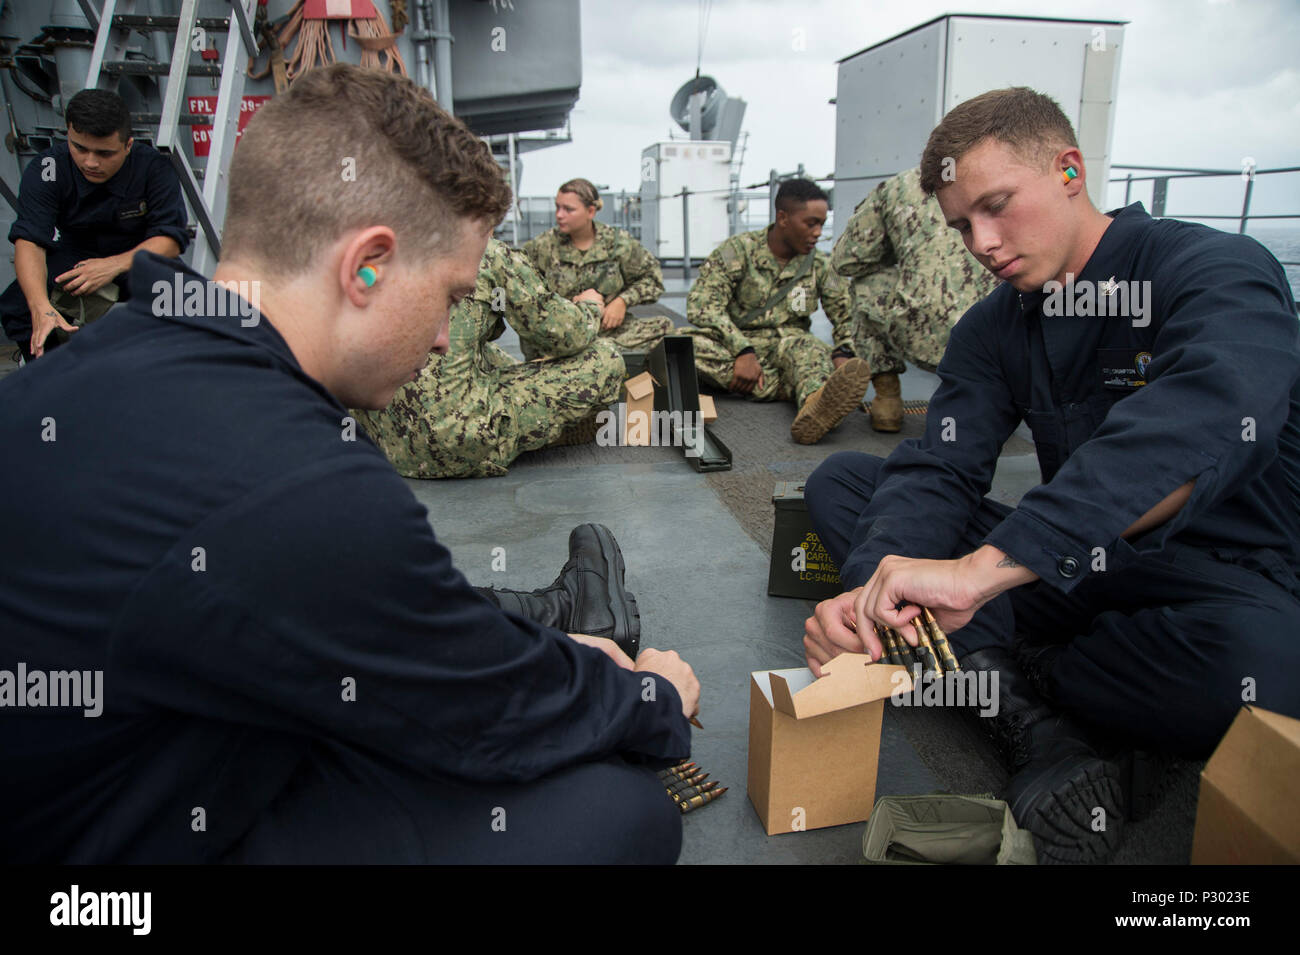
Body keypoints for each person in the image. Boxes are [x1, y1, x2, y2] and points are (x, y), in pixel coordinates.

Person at [0, 64, 699, 864]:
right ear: (367, 264)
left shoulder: (103, 361)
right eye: (449, 295)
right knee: (620, 814)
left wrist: (550, 652)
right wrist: (651, 697)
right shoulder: (299, 477)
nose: (444, 336)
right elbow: (485, 711)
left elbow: (339, 611)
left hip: (118, 773)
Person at [802, 87, 1300, 863]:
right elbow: (939, 465)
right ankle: (1048, 713)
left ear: (1069, 170)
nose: (982, 243)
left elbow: (1201, 425)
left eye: (997, 206)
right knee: (842, 484)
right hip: (1071, 567)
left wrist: (979, 574)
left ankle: (1013, 683)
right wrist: (869, 596)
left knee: (1267, 670)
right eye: (962, 225)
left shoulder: (1214, 268)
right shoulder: (995, 326)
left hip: (1223, 581)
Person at [354, 237, 624, 478]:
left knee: (482, 352)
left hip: (384, 443)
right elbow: (567, 334)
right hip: (452, 444)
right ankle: (521, 427)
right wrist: (591, 305)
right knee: (606, 356)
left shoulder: (377, 249)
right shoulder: (483, 251)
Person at [1, 88, 188, 362]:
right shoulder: (48, 167)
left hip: (137, 257)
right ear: (68, 135)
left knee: (198, 301)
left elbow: (170, 239)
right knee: (18, 305)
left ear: (128, 145)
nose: (90, 162)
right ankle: (50, 373)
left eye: (104, 153)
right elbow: (30, 240)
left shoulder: (154, 167)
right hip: (75, 256)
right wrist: (41, 307)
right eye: (80, 148)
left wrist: (111, 266)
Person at [684, 177, 868, 444]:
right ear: (783, 218)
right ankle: (790, 386)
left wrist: (844, 351)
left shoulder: (821, 264)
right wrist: (742, 350)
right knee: (680, 345)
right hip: (738, 347)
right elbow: (702, 306)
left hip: (790, 346)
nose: (818, 232)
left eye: (822, 224)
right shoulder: (738, 251)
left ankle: (814, 404)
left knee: (810, 349)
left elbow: (846, 314)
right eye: (811, 223)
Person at [831, 166, 999, 431]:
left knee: (867, 283)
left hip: (925, 338)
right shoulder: (1000, 178)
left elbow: (846, 260)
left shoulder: (897, 187)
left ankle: (887, 399)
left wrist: (899, 253)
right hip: (996, 343)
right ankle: (996, 401)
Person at [522, 177, 673, 355]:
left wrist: (622, 301)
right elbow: (523, 294)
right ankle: (599, 356)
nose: (559, 215)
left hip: (607, 329)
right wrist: (566, 307)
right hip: (561, 332)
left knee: (664, 327)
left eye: (568, 209)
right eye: (558, 207)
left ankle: (592, 356)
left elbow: (653, 279)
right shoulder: (542, 246)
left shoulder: (617, 243)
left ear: (590, 211)